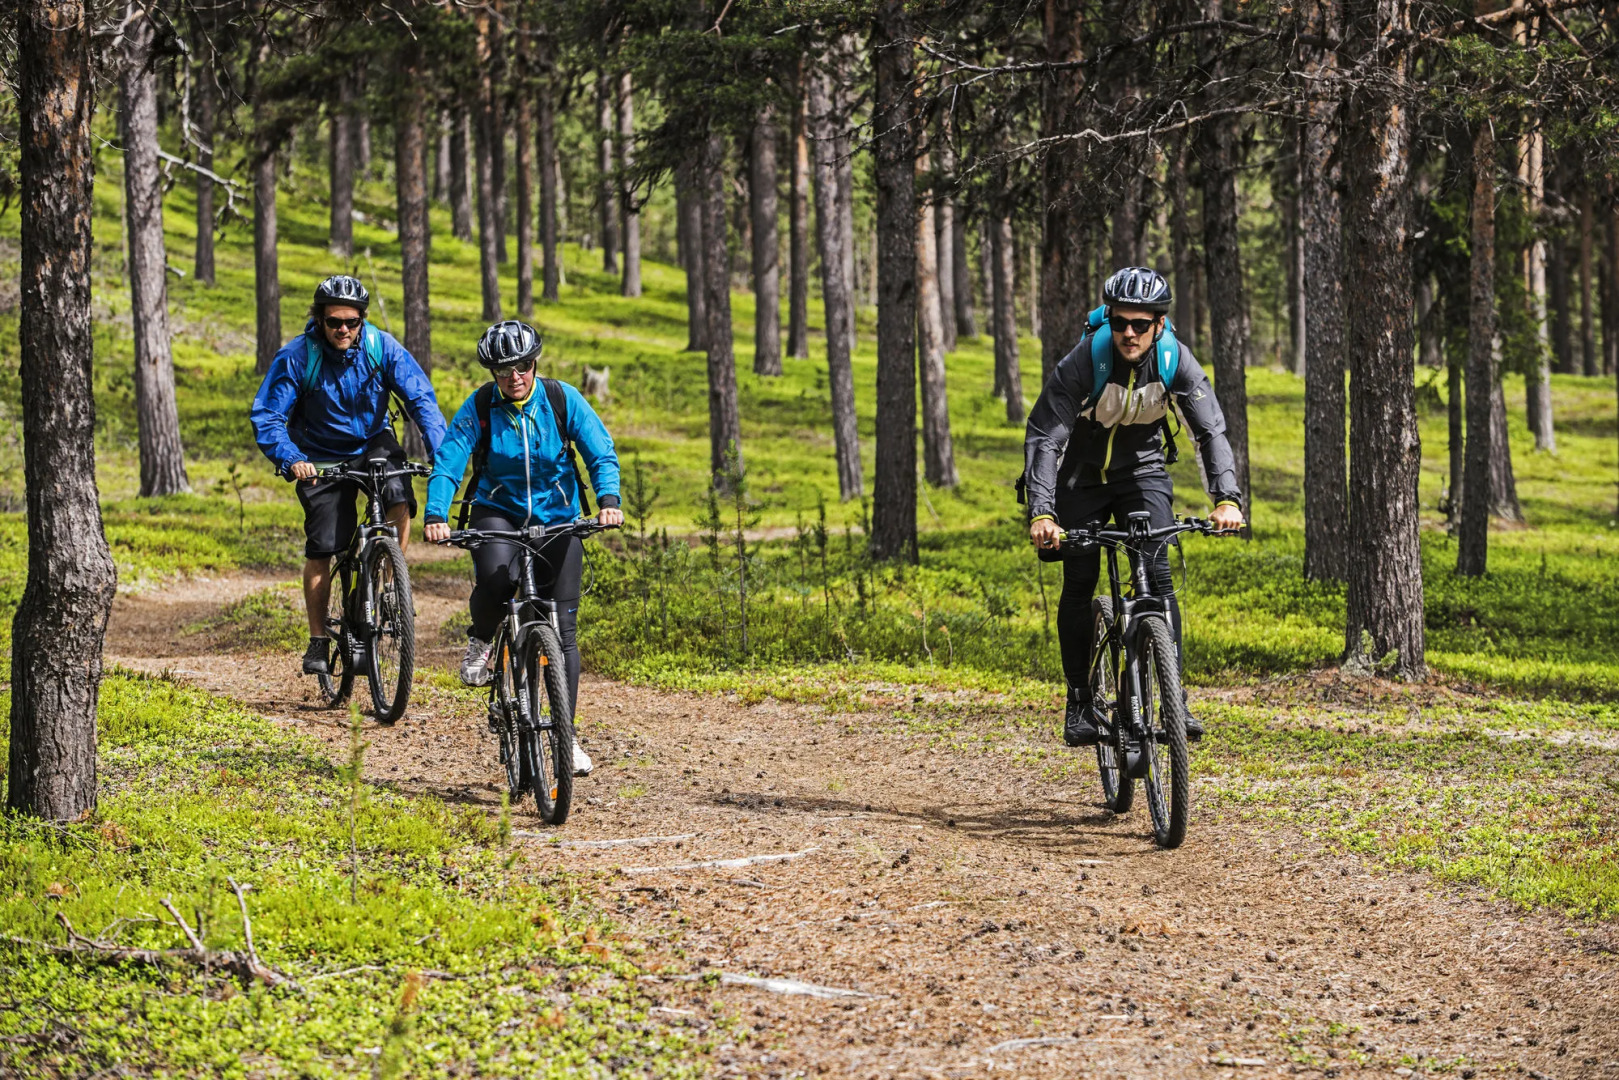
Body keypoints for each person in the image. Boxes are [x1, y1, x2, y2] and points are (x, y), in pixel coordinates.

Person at [1023, 267, 1244, 747]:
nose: (1129, 333)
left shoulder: (1174, 360)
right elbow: (1045, 436)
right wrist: (1043, 511)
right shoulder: (1087, 360)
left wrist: (1227, 498)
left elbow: (1211, 432)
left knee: (1158, 577)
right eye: (1120, 322)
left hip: (1142, 472)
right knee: (1079, 579)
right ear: (1109, 320)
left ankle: (1173, 699)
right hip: (1079, 476)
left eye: (1140, 325)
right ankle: (1081, 700)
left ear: (1159, 325)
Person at [422, 321, 623, 777]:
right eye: (503, 369)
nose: (515, 376)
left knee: (563, 631)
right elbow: (450, 459)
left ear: (535, 363)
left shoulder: (560, 399)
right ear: (492, 372)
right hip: (499, 512)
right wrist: (436, 514)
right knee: (497, 580)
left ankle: (565, 737)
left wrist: (608, 501)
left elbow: (599, 451)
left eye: (523, 366)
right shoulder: (480, 407)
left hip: (559, 516)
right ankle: (481, 640)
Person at [251, 275, 446, 676]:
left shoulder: (380, 347)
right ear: (320, 320)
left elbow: (421, 399)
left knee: (398, 492)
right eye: (334, 321)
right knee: (324, 544)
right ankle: (319, 639)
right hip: (319, 455)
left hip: (373, 442)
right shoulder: (298, 357)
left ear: (362, 321)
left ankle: (388, 583)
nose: (343, 329)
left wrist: (440, 454)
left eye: (351, 322)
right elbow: (268, 416)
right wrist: (291, 458)